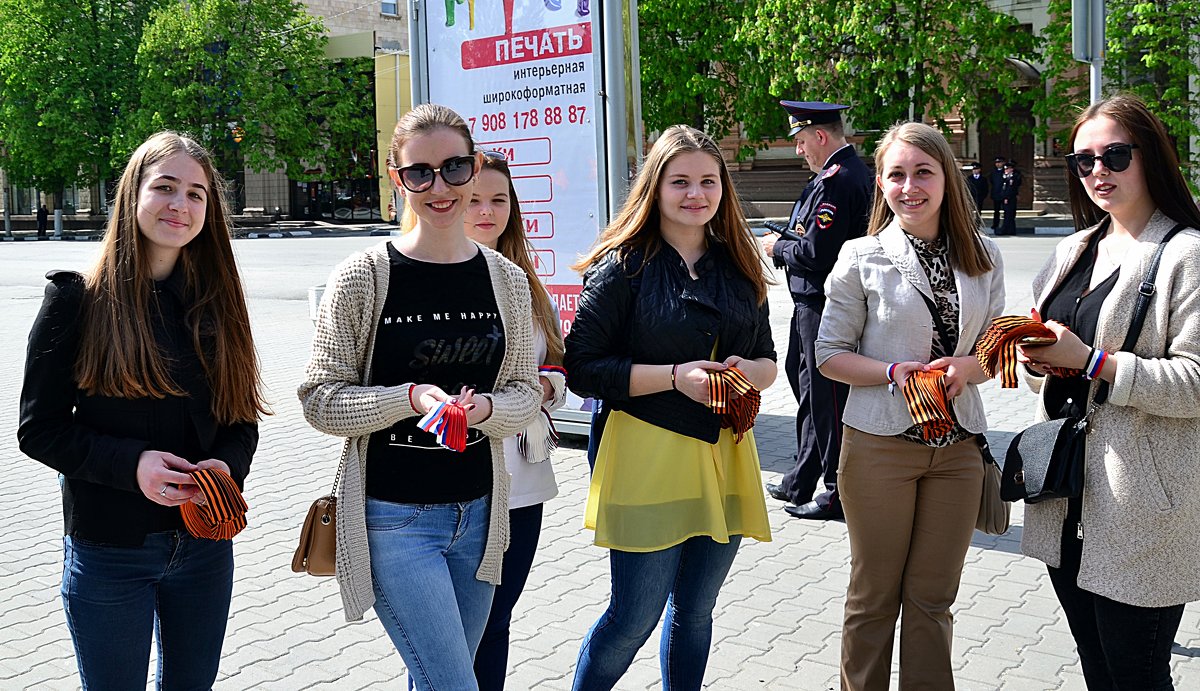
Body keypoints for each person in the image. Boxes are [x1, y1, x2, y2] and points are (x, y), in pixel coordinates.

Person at [297, 103, 541, 691]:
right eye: (420, 173)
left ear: (475, 167)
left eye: (455, 168)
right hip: (393, 521)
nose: (440, 186)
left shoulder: (504, 278)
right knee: (454, 684)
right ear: (396, 177)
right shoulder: (364, 276)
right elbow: (318, 398)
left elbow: (525, 393)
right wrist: (408, 398)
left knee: (433, 679)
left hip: (481, 517)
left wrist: (486, 412)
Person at [17, 131, 266, 689]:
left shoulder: (217, 303)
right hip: (110, 550)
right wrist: (134, 466)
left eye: (197, 194)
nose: (181, 205)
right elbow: (39, 431)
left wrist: (226, 468)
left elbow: (241, 420)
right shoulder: (76, 298)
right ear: (132, 195)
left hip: (204, 546)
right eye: (166, 188)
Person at [565, 124, 776, 690]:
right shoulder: (622, 265)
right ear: (654, 187)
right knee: (634, 618)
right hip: (645, 453)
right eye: (680, 181)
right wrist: (676, 378)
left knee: (696, 612)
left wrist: (744, 374)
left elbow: (768, 362)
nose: (696, 194)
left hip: (724, 452)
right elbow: (583, 368)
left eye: (708, 181)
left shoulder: (740, 265)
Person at [1016, 94, 1200, 690]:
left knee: (1138, 676)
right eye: (1084, 160)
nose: (1098, 171)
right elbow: (1057, 357)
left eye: (1114, 156)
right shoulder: (1076, 248)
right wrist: (1039, 358)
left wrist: (1093, 361)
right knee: (1098, 667)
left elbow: (1195, 382)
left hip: (1140, 503)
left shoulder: (1187, 254)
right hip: (1068, 494)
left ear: (1152, 157)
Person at [815, 122, 1004, 690]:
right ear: (880, 182)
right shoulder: (861, 256)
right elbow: (828, 355)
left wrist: (972, 368)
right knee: (874, 596)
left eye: (923, 171)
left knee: (932, 600)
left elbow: (996, 345)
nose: (909, 186)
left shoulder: (984, 254)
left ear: (947, 176)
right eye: (896, 174)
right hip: (880, 447)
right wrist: (896, 373)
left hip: (957, 451)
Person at [463, 150, 567, 690]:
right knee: (448, 639)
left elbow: (557, 368)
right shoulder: (427, 279)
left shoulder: (526, 282)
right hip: (448, 484)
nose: (486, 210)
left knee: (496, 623)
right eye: (475, 197)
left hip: (521, 484)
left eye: (499, 199)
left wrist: (547, 387)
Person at [759, 100, 872, 521]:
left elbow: (817, 251)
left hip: (825, 302)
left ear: (820, 136)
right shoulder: (833, 175)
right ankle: (803, 476)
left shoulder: (838, 181)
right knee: (806, 385)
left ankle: (835, 491)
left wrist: (779, 247)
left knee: (827, 398)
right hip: (812, 301)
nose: (799, 150)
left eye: (802, 141)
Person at [998, 161, 1022, 235]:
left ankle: (1005, 230)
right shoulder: (1006, 177)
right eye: (1005, 169)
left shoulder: (1013, 177)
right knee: (1008, 215)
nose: (1006, 171)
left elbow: (1010, 190)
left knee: (1009, 215)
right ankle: (1010, 230)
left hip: (1010, 199)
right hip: (1006, 198)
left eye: (1007, 169)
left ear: (1011, 169)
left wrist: (1006, 198)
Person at [989, 155, 1007, 231]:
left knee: (1006, 211)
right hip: (996, 194)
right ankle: (995, 224)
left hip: (1004, 194)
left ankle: (1005, 225)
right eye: (996, 162)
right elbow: (992, 181)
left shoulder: (1005, 172)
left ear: (1003, 163)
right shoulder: (993, 172)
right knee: (996, 210)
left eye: (999, 162)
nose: (998, 164)